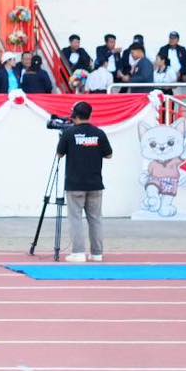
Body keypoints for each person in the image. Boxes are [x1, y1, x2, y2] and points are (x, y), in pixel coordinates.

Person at [57, 101, 112, 263]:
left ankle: (78, 252)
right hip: (95, 183)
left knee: (75, 218)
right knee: (95, 219)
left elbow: (59, 154)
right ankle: (97, 253)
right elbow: (109, 155)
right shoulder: (99, 133)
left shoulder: (69, 133)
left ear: (74, 115)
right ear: (90, 115)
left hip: (75, 184)